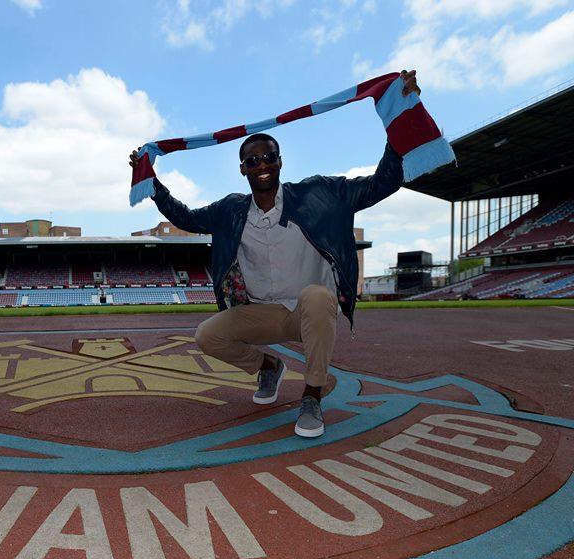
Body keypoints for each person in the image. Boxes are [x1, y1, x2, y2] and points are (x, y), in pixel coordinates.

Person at [129, 70, 421, 438]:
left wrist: (398, 118)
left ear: (280, 161)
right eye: (253, 161)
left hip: (309, 310)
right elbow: (184, 217)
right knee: (207, 335)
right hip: (263, 312)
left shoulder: (320, 195)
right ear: (242, 169)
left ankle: (313, 394)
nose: (262, 165)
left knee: (316, 295)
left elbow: (384, 182)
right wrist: (150, 181)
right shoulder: (231, 211)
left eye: (269, 157)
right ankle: (268, 366)